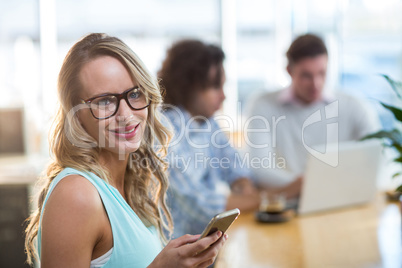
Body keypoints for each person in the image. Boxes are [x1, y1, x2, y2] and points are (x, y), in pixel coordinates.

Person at [24, 33, 227, 268]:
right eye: (104, 101)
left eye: (134, 94)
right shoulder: (76, 194)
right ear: (76, 113)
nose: (126, 115)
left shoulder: (130, 183)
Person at [245, 33, 379, 195]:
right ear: (289, 71)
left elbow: (376, 153)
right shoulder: (263, 105)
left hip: (342, 198)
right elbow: (260, 168)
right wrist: (314, 186)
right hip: (289, 203)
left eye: (322, 73)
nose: (316, 84)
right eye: (306, 76)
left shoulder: (353, 105)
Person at [158, 39, 266, 238]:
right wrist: (264, 200)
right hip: (178, 252)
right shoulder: (164, 130)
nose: (224, 96)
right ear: (188, 86)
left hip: (207, 245)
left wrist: (242, 184)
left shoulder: (206, 121)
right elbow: (203, 206)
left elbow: (235, 165)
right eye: (215, 87)